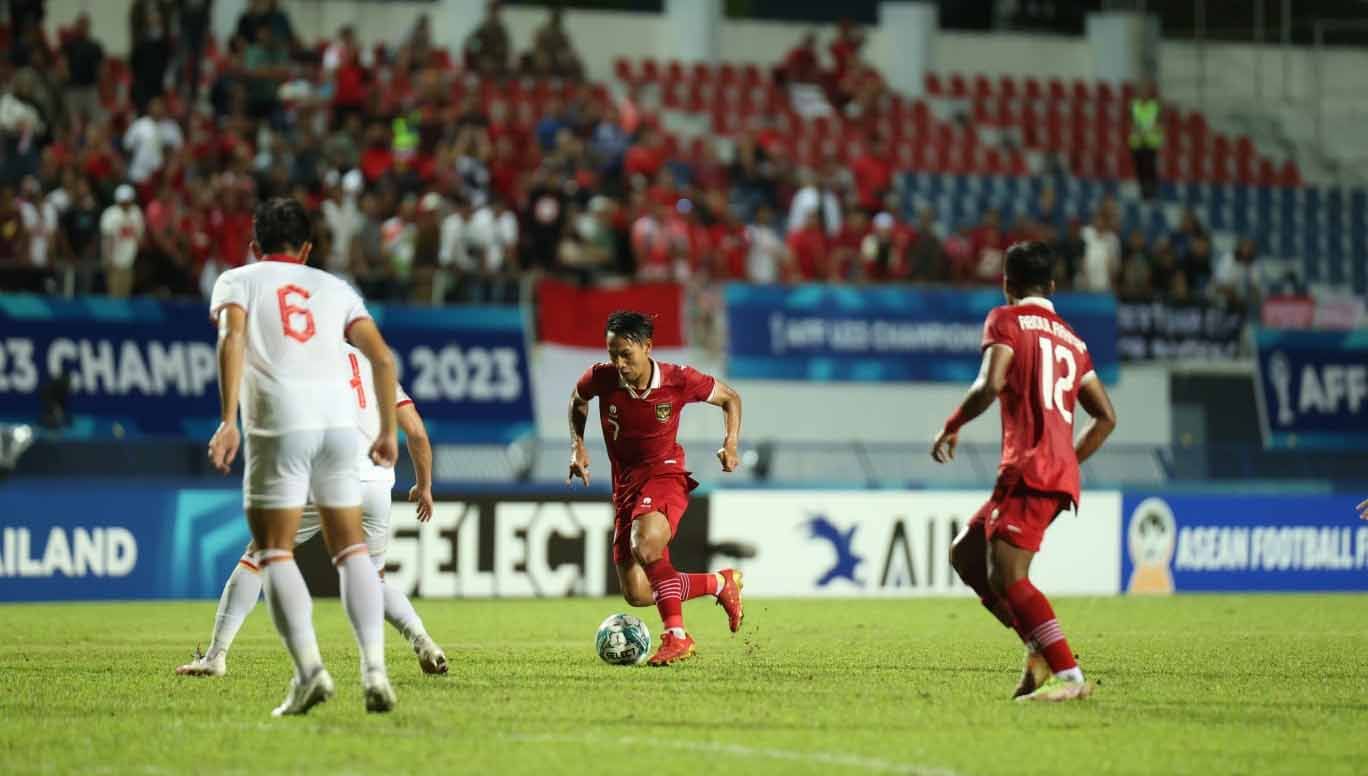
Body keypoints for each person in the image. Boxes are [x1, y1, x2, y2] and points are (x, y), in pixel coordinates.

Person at [206, 197, 399, 716]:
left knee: (274, 551)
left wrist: (228, 420)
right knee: (351, 551)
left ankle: (311, 671)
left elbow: (233, 336)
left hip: (280, 423)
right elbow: (381, 356)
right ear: (309, 248)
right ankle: (375, 671)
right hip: (341, 429)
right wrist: (387, 432)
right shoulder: (336, 289)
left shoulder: (238, 280)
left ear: (254, 246)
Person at [177, 346, 447, 679]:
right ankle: (423, 640)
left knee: (258, 557)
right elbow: (417, 433)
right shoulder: (375, 365)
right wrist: (424, 487)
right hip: (376, 485)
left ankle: (216, 656)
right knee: (374, 582)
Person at [932, 241, 1118, 703]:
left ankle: (1068, 675)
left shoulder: (1006, 320)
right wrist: (1067, 461)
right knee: (967, 555)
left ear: (1006, 284)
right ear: (1053, 287)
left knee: (1010, 576)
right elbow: (1106, 416)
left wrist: (953, 424)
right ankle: (1038, 651)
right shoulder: (1074, 341)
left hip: (1029, 469)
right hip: (1053, 472)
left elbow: (990, 383)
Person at [568, 311, 745, 666]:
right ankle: (719, 583)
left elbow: (730, 398)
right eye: (612, 353)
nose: (618, 363)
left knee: (645, 543)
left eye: (626, 354)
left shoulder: (678, 380)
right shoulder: (601, 377)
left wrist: (731, 443)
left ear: (647, 347)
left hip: (665, 475)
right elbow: (578, 400)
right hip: (626, 487)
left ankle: (677, 636)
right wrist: (578, 445)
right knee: (636, 592)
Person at [1129, 79, 1162, 201]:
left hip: (1151, 142)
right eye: (1141, 91)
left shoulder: (1154, 106)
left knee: (1150, 168)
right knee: (1140, 169)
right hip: (1137, 142)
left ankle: (1152, 192)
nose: (1143, 93)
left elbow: (1158, 123)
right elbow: (1132, 122)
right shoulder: (1134, 106)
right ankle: (1143, 192)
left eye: (1145, 91)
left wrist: (1146, 129)